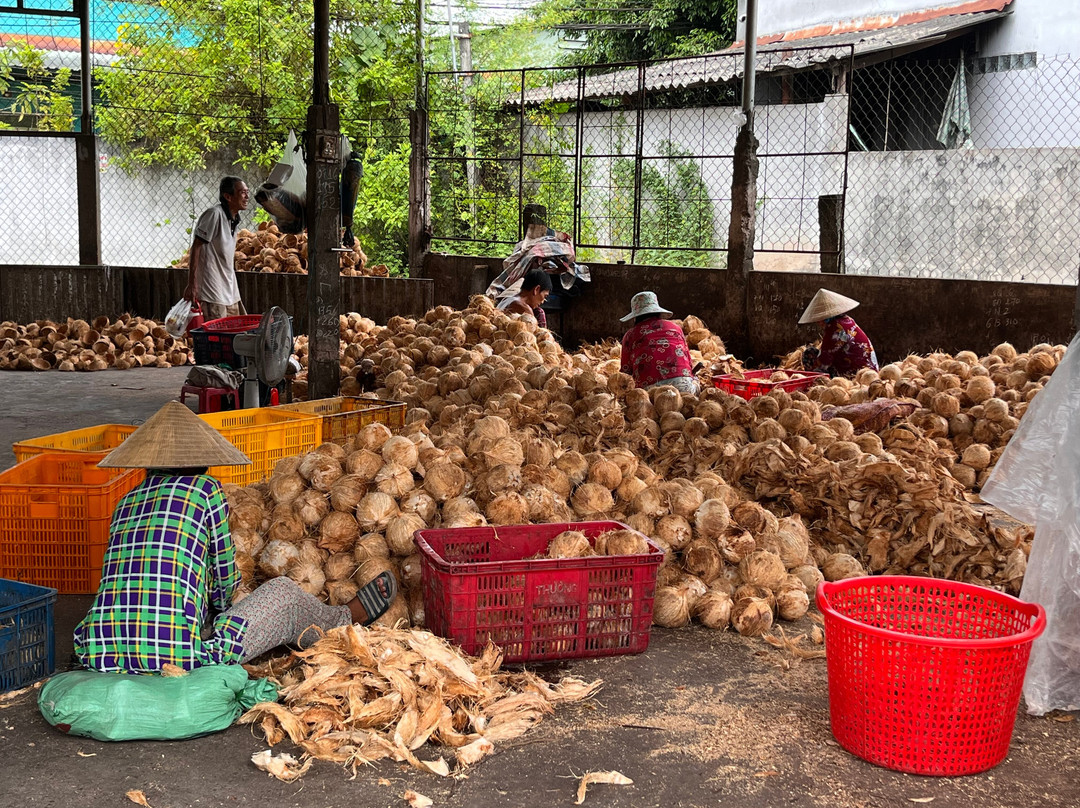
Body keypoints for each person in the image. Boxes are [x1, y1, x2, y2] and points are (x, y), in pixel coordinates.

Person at [73, 401, 396, 674]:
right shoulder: (205, 490)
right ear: (202, 461)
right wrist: (224, 605)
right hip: (182, 661)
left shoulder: (125, 502)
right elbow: (224, 583)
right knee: (283, 593)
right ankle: (342, 619)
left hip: (96, 652)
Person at [182, 176, 250, 321]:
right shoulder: (214, 214)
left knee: (235, 333)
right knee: (216, 335)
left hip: (229, 289)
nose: (247, 196)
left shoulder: (234, 219)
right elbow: (196, 247)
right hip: (212, 289)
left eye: (247, 192)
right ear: (228, 196)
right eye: (242, 192)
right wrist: (192, 284)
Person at [619, 291, 699, 394]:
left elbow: (625, 372)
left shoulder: (630, 335)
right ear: (658, 311)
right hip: (683, 387)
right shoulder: (676, 328)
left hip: (650, 391)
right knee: (696, 381)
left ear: (635, 316)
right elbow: (688, 360)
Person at [798, 288, 878, 377]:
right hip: (871, 371)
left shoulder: (835, 328)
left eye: (820, 318)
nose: (818, 322)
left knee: (809, 353)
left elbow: (825, 360)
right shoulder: (847, 320)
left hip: (856, 375)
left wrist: (808, 377)